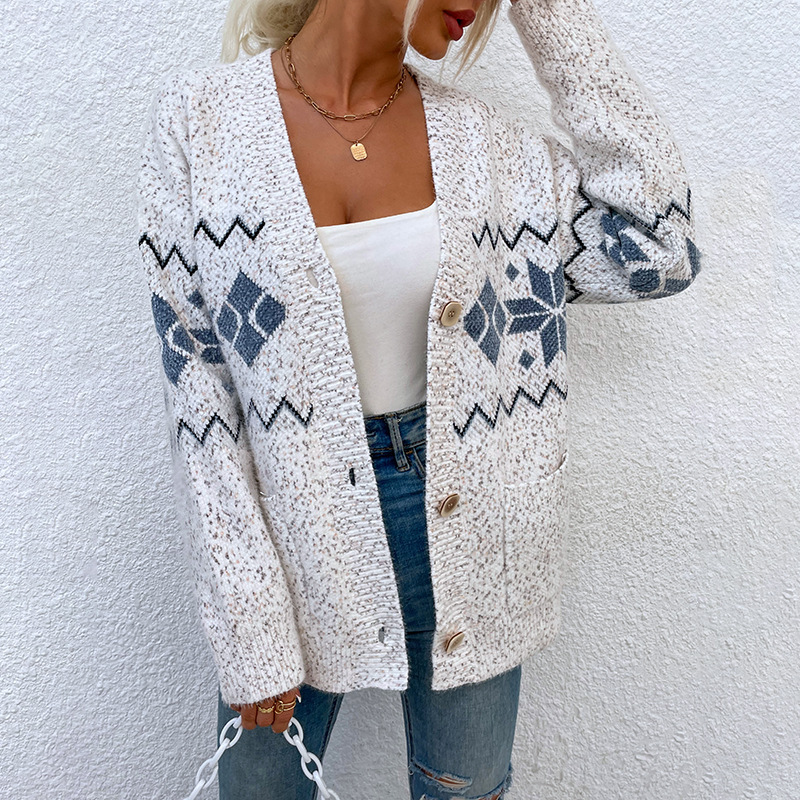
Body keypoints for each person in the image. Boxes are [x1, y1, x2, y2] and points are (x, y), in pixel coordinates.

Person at [136, 0, 702, 797]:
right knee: (261, 787)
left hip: (477, 518)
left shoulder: (495, 150)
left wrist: (550, 12)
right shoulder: (202, 123)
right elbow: (200, 394)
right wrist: (247, 613)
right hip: (296, 520)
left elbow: (660, 248)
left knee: (463, 790)